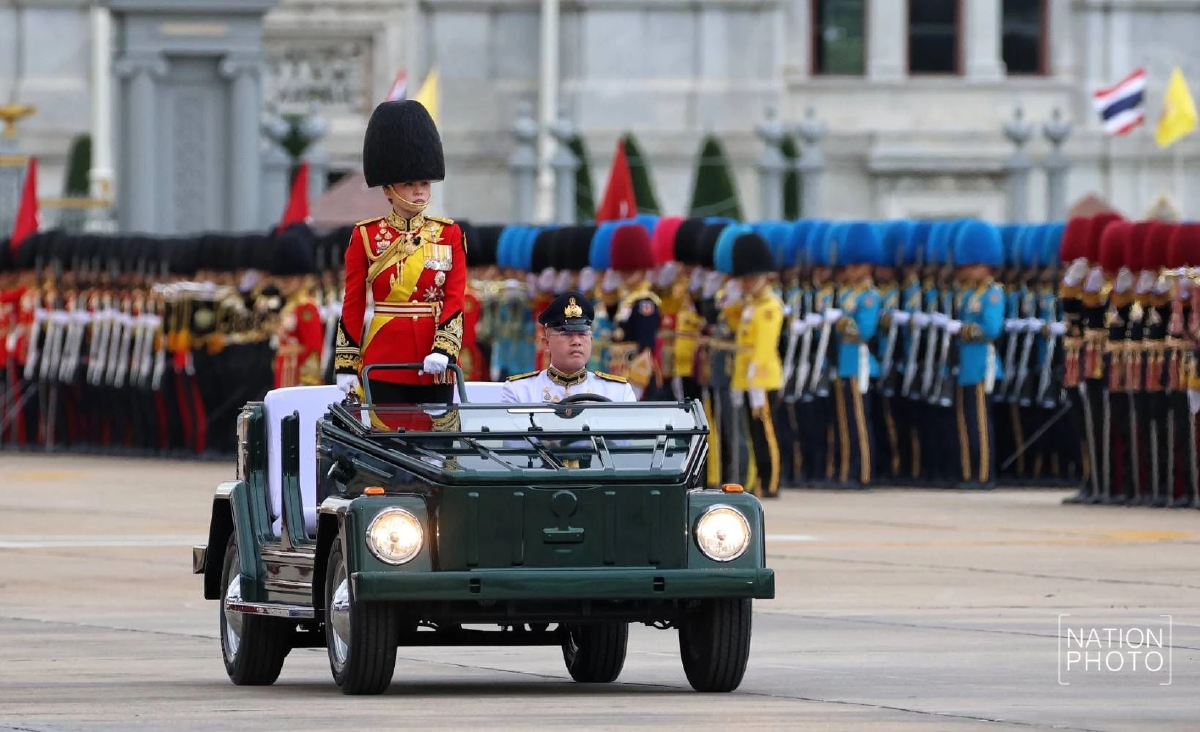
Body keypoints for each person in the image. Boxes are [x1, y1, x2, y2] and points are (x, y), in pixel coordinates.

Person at [333, 100, 467, 406]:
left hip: (435, 359)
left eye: (424, 183)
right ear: (388, 188)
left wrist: (445, 348)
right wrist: (346, 363)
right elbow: (353, 303)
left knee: (435, 448)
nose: (420, 191)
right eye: (409, 184)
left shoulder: (448, 233)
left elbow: (455, 298)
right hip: (384, 355)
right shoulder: (365, 236)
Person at [501, 290, 638, 404]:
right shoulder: (520, 391)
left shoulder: (617, 392)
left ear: (591, 339)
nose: (577, 341)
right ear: (546, 343)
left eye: (583, 334)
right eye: (566, 334)